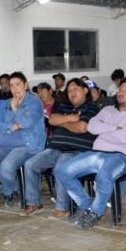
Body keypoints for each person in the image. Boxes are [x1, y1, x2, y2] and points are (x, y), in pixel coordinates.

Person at [55, 78, 126, 229]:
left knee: (104, 175)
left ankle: (96, 212)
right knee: (63, 171)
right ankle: (86, 206)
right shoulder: (107, 110)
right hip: (96, 153)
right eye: (121, 89)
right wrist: (114, 128)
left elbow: (123, 138)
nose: (121, 93)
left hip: (120, 157)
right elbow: (91, 127)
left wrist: (104, 130)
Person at [23, 78, 100, 217]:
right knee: (30, 164)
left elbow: (82, 127)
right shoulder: (64, 106)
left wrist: (62, 122)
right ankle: (34, 201)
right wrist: (71, 118)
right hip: (55, 148)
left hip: (77, 151)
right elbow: (52, 120)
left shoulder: (92, 107)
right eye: (69, 90)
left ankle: (62, 207)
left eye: (75, 89)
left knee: (60, 167)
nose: (72, 93)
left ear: (85, 90)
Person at [0, 72, 45, 207]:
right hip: (4, 144)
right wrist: (13, 126)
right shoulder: (5, 104)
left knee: (6, 166)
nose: (15, 88)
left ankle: (8, 192)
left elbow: (27, 123)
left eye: (18, 84)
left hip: (26, 144)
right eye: (11, 85)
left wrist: (16, 110)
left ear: (25, 85)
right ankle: (15, 187)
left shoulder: (35, 102)